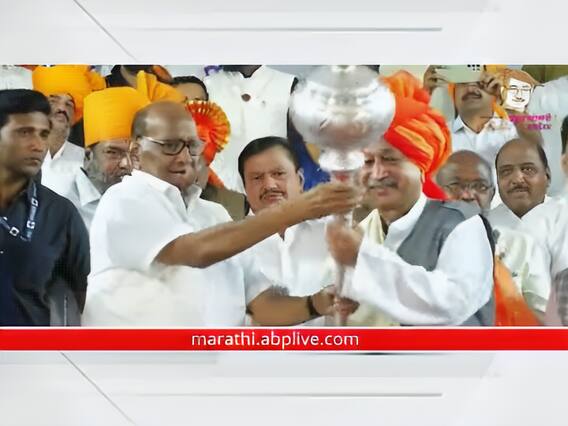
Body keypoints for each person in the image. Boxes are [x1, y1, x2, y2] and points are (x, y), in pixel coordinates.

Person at [83, 101, 360, 326]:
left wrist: (315, 304)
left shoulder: (214, 214)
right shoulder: (124, 199)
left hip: (215, 369)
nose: (184, 157)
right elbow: (194, 252)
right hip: (142, 369)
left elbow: (261, 305)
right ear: (135, 152)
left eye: (192, 146)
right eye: (170, 146)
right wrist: (294, 210)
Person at [326, 71, 495, 326]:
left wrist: (363, 256)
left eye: (390, 159)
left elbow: (451, 304)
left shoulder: (462, 223)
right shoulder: (359, 233)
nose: (377, 173)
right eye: (368, 161)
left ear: (421, 165)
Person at [0, 89, 89, 326]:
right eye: (24, 132)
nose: (38, 145)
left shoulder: (60, 213)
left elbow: (82, 294)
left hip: (28, 345)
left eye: (43, 134)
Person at [436, 150, 549, 322]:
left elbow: (546, 321)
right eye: (455, 185)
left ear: (491, 193)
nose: (468, 195)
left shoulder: (520, 245)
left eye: (480, 186)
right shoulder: (412, 246)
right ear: (436, 191)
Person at [60, 87, 149, 230]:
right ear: (88, 156)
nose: (127, 164)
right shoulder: (61, 209)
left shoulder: (153, 201)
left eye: (135, 154)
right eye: (113, 152)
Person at [205, 65, 295, 194]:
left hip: (273, 190)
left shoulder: (288, 83)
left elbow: (301, 146)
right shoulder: (207, 85)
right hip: (220, 191)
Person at [32, 65, 106, 192]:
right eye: (53, 101)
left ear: (74, 117)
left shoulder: (84, 160)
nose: (62, 108)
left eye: (69, 104)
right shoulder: (18, 152)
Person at [488, 138, 551, 230]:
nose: (517, 179)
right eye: (506, 171)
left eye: (528, 169)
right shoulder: (482, 227)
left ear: (547, 176)